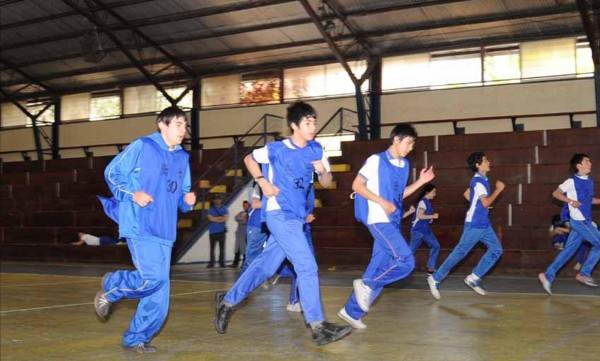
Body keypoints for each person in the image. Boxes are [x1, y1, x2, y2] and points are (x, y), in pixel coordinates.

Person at [214, 101, 352, 346]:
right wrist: (262, 182)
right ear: (294, 126)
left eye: (314, 122)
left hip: (296, 219)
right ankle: (318, 325)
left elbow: (329, 182)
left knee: (265, 267)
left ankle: (227, 302)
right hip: (279, 213)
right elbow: (249, 159)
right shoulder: (277, 149)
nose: (313, 126)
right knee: (307, 266)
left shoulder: (316, 150)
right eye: (307, 122)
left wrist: (323, 173)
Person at [93, 106, 196, 354]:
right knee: (154, 279)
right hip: (140, 223)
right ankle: (113, 284)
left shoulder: (183, 158)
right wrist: (133, 193)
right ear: (162, 124)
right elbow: (112, 173)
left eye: (185, 125)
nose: (183, 130)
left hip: (166, 230)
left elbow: (181, 194)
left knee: (159, 295)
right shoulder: (143, 146)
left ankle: (136, 337)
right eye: (178, 124)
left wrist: (187, 201)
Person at [338, 124, 434, 330]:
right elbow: (357, 186)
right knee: (406, 261)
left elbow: (400, 195)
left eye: (413, 144)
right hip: (378, 218)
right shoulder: (376, 160)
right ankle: (366, 285)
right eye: (408, 143)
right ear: (396, 140)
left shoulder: (404, 165)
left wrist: (421, 182)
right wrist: (381, 201)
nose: (411, 148)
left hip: (393, 220)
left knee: (381, 268)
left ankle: (351, 311)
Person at [427, 152, 505, 300]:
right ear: (478, 165)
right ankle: (435, 278)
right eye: (485, 160)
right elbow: (486, 202)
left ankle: (474, 277)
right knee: (460, 252)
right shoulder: (479, 181)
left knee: (496, 250)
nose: (488, 162)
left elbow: (467, 194)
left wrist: (479, 206)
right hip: (475, 224)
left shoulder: (482, 179)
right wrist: (498, 190)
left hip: (484, 224)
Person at [538, 153, 600, 294]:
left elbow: (589, 200)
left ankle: (547, 276)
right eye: (587, 161)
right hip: (580, 221)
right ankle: (584, 274)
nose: (590, 163)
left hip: (584, 221)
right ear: (579, 165)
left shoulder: (589, 181)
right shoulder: (571, 181)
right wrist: (570, 201)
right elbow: (556, 193)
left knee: (568, 251)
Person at [239, 181, 269, 276]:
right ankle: (240, 288)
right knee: (251, 258)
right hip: (257, 224)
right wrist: (275, 202)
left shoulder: (278, 181)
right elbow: (255, 204)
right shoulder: (259, 185)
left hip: (271, 224)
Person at [409, 183, 440, 274]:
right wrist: (433, 216)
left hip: (425, 230)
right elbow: (420, 215)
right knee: (410, 251)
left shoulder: (427, 203)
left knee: (436, 246)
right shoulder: (423, 202)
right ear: (427, 192)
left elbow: (423, 216)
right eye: (433, 192)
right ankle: (400, 267)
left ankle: (430, 268)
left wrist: (429, 219)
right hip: (418, 230)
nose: (435, 194)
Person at [207, 196, 229, 268]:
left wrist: (216, 218)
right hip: (212, 231)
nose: (217, 201)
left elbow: (225, 218)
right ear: (214, 201)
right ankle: (211, 263)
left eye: (219, 199)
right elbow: (211, 218)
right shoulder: (211, 209)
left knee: (222, 248)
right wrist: (220, 218)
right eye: (216, 199)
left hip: (221, 231)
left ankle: (221, 262)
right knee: (212, 248)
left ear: (221, 200)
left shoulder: (224, 208)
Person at [230, 201, 249, 268]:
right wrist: (241, 219)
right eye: (244, 205)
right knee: (237, 247)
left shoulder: (249, 213)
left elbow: (245, 221)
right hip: (239, 232)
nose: (245, 207)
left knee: (244, 248)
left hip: (245, 232)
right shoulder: (241, 213)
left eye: (246, 205)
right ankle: (235, 263)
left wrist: (241, 219)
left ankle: (244, 263)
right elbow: (236, 218)